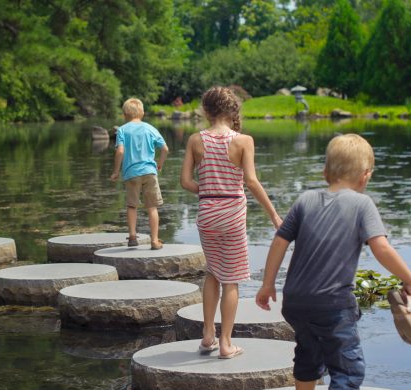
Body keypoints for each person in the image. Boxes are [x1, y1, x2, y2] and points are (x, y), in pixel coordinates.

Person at [255, 133, 411, 390]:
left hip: (296, 301)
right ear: (365, 176)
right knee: (348, 368)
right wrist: (408, 277)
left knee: (308, 352)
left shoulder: (304, 200)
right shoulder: (363, 205)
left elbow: (279, 242)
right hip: (333, 304)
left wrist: (267, 284)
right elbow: (382, 247)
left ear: (325, 172)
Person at [181, 86, 282, 359]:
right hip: (233, 213)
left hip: (207, 212)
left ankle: (206, 335)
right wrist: (273, 214)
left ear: (206, 111)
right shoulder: (243, 141)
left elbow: (185, 182)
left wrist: (208, 190)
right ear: (232, 110)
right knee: (232, 280)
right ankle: (226, 343)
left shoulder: (195, 140)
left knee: (213, 272)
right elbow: (250, 181)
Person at [110, 98, 169, 250]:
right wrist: (160, 163)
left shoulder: (122, 130)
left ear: (124, 115)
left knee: (131, 206)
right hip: (150, 172)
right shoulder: (150, 128)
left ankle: (132, 237)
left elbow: (120, 151)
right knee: (152, 207)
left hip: (131, 173)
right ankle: (155, 241)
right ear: (142, 113)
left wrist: (116, 171)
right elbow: (165, 149)